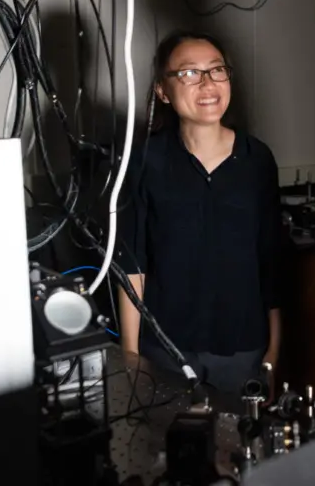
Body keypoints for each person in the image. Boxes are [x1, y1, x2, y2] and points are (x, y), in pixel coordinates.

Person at [118, 30, 282, 396]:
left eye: (216, 70)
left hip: (242, 349)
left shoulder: (258, 160)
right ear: (163, 90)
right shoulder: (145, 161)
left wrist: (273, 350)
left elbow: (270, 259)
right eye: (189, 73)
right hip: (165, 349)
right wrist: (130, 353)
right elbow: (132, 264)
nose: (207, 83)